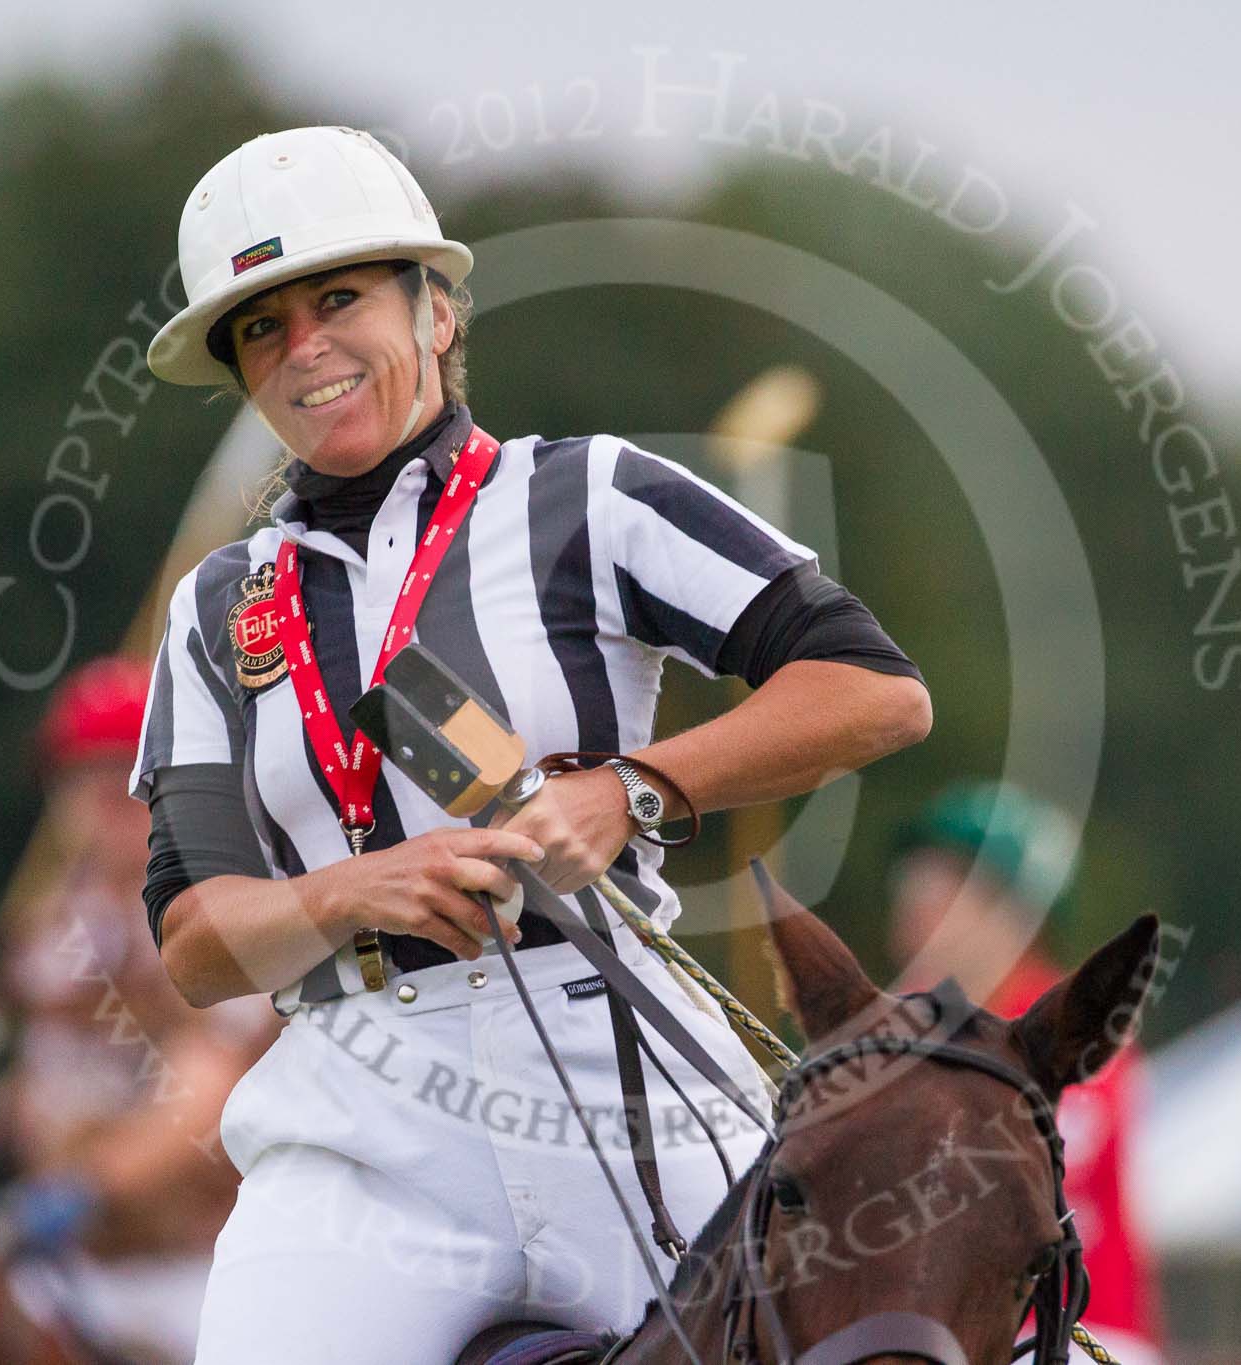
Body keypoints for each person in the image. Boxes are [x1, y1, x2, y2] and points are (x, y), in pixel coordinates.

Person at [130, 124, 932, 1362]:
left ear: (436, 312)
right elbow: (192, 942)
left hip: (617, 1057)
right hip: (361, 1117)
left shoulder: (590, 495)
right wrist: (351, 890)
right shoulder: (217, 603)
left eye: (339, 300)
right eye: (261, 329)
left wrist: (641, 785)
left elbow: (873, 689)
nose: (307, 349)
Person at [0, 657, 272, 1364]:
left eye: (121, 774)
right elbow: (51, 1082)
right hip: (63, 1270)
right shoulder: (45, 928)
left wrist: (86, 1185)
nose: (97, 799)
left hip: (205, 1263)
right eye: (77, 777)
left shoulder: (231, 908)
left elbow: (208, 1093)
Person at [889, 780, 1165, 1365]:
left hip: (1078, 1330)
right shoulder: (893, 1020)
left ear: (1016, 914)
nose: (916, 899)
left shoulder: (1081, 1024)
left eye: (952, 884)